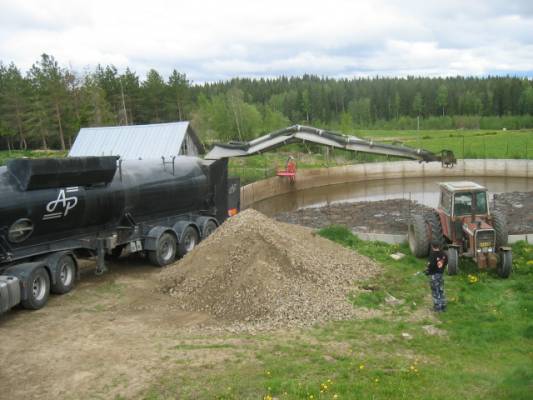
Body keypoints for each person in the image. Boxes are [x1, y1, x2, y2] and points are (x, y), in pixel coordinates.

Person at [425, 240, 447, 312]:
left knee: (435, 291)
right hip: (441, 274)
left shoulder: (432, 255)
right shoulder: (444, 254)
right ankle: (443, 305)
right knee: (441, 289)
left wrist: (428, 271)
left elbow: (430, 265)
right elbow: (446, 262)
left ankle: (437, 307)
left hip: (434, 275)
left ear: (432, 246)